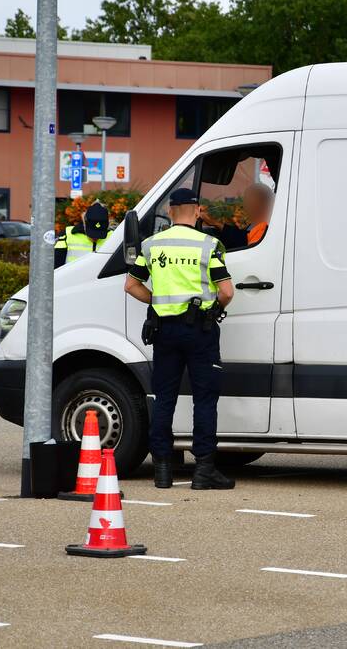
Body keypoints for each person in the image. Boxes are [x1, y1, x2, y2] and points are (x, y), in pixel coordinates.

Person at [124, 187, 236, 490]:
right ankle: (204, 471)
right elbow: (226, 291)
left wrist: (157, 302)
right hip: (200, 331)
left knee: (165, 398)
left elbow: (131, 285)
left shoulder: (151, 245)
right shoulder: (209, 245)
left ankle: (162, 470)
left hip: (165, 331)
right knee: (204, 399)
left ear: (171, 211)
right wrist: (214, 310)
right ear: (197, 211)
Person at [200, 182, 273, 250]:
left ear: (258, 203)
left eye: (247, 200)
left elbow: (243, 245)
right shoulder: (255, 225)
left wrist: (215, 223)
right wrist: (216, 223)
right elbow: (243, 237)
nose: (244, 204)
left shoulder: (264, 228)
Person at [54, 200, 112, 268]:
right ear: (84, 222)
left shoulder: (113, 237)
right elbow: (56, 266)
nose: (95, 238)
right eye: (91, 232)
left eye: (100, 233)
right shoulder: (67, 234)